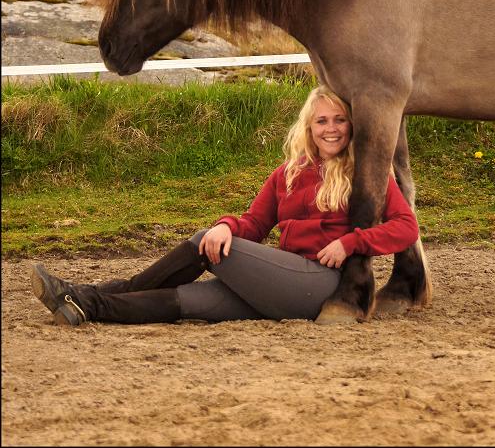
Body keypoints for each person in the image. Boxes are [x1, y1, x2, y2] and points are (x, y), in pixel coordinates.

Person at [30, 85, 420, 327]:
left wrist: (351, 243)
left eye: (339, 120)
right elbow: (253, 223)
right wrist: (226, 226)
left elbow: (406, 227)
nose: (331, 128)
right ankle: (85, 304)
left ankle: (86, 291)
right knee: (184, 301)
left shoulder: (367, 173)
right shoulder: (287, 172)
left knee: (205, 243)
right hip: (276, 284)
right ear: (309, 127)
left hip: (321, 283)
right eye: (322, 121)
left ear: (351, 126)